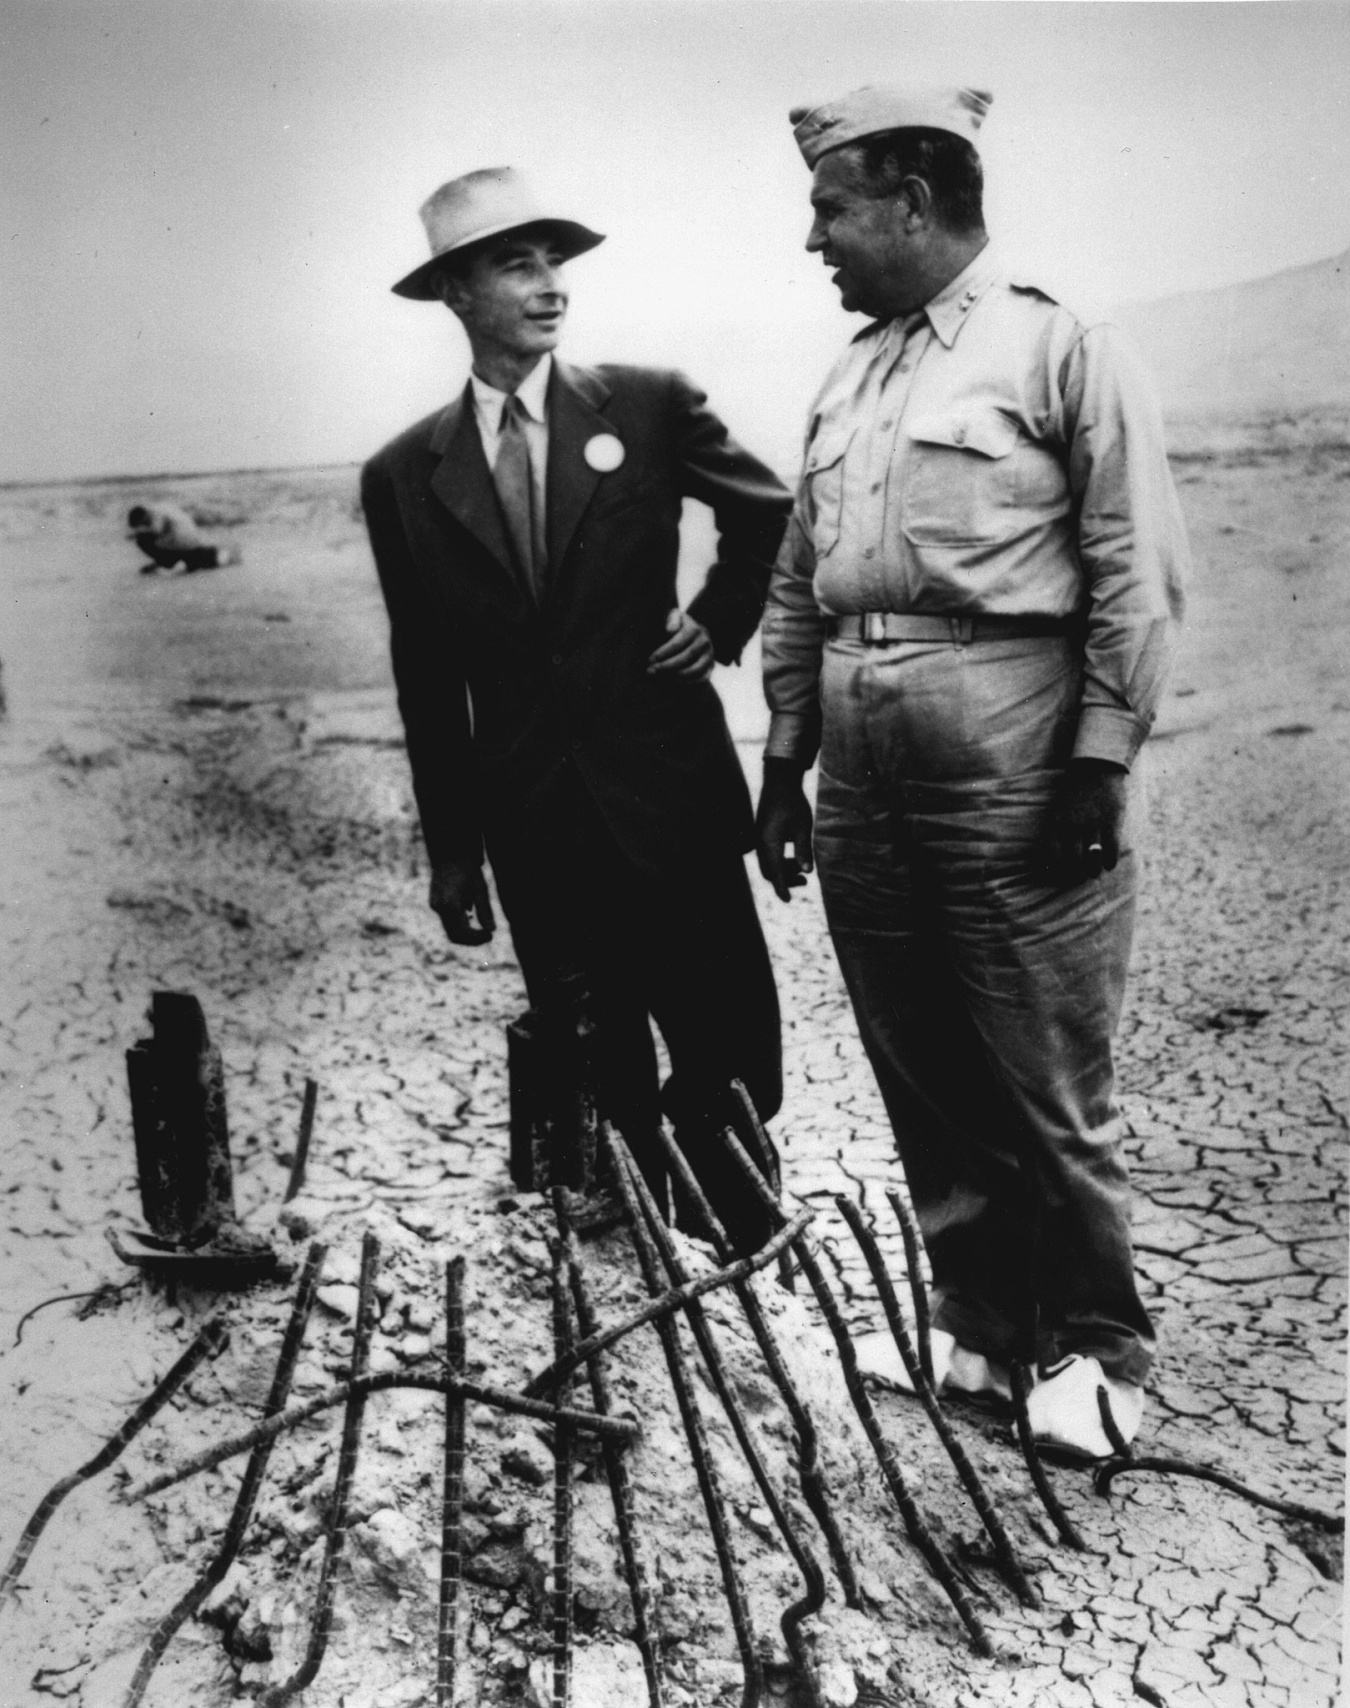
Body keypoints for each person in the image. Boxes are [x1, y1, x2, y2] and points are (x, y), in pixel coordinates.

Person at [756, 86, 1189, 1457]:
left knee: (1040, 1070)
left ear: (912, 201)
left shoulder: (1056, 344)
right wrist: (783, 756)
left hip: (1013, 757)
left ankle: (1100, 1353)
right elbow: (796, 578)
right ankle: (986, 1329)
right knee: (921, 1064)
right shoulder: (850, 375)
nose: (811, 238)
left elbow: (1135, 567)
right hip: (864, 780)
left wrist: (1099, 758)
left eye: (830, 209)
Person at [362, 167, 790, 1250]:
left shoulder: (647, 405)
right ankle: (644, 1305)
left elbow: (773, 516)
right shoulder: (406, 473)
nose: (551, 284)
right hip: (539, 832)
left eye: (556, 260)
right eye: (518, 263)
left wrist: (721, 615)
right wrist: (454, 852)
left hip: (673, 810)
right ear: (457, 292)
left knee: (728, 1068)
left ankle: (751, 1282)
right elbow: (427, 675)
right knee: (599, 1081)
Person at [127, 502, 240, 572]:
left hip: (180, 543)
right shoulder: (161, 506)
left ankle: (165, 561)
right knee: (196, 561)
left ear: (142, 516)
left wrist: (137, 534)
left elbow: (157, 530)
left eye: (141, 523)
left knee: (142, 540)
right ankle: (226, 555)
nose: (143, 525)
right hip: (191, 540)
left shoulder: (154, 513)